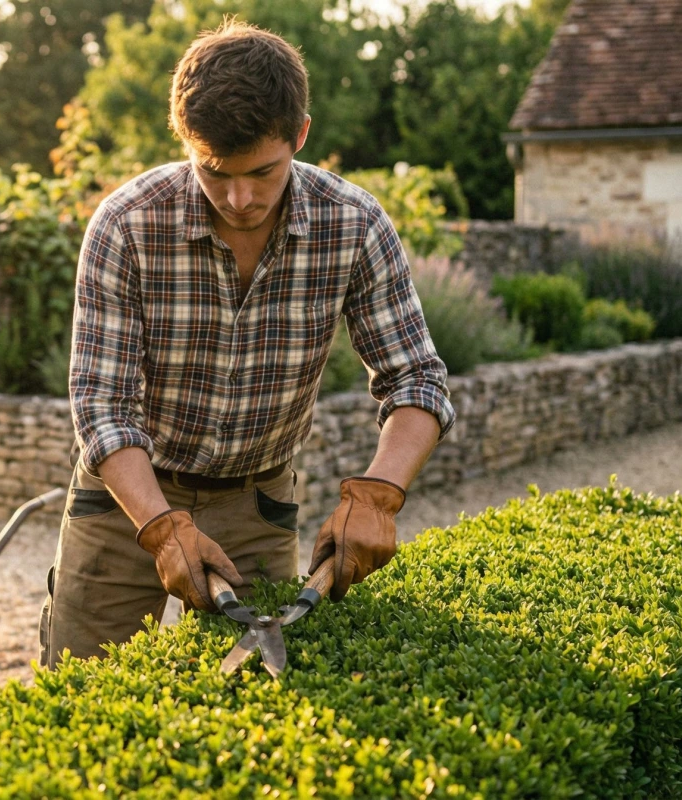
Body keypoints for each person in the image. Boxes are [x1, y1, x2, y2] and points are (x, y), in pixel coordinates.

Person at [39, 18, 455, 665]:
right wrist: (161, 526)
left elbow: (417, 379)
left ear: (301, 135)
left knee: (255, 704)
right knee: (81, 681)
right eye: (214, 172)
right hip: (126, 502)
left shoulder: (354, 223)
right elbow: (101, 406)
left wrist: (379, 493)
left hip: (256, 502)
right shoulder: (124, 225)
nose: (239, 198)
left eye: (262, 172)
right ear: (186, 142)